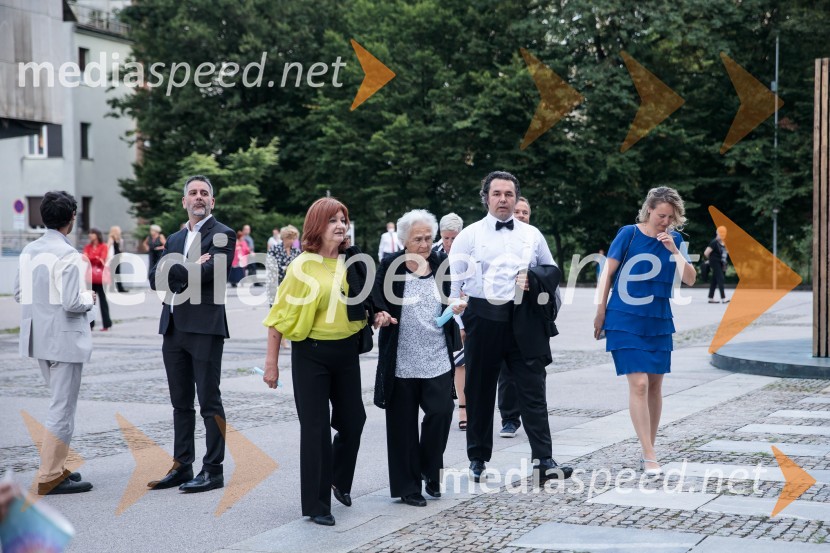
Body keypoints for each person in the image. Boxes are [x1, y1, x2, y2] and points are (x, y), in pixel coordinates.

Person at [262, 197, 392, 527]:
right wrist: (271, 364)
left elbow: (365, 301)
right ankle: (317, 505)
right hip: (311, 354)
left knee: (354, 421)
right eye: (332, 219)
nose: (340, 225)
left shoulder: (353, 261)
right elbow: (278, 317)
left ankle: (335, 477)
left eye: (343, 219)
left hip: (346, 353)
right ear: (317, 226)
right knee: (316, 429)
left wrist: (377, 314)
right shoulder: (302, 266)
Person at [449, 171, 570, 484]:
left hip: (523, 319)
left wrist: (534, 279)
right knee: (479, 390)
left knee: (533, 389)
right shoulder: (469, 235)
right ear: (486, 197)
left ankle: (544, 459)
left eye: (508, 194)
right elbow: (453, 284)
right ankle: (477, 458)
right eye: (497, 194)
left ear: (516, 198)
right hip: (482, 319)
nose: (503, 199)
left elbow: (552, 270)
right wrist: (463, 322)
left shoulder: (532, 235)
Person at [593, 187, 696, 476]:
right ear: (649, 209)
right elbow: (608, 273)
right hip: (624, 316)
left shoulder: (674, 240)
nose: (665, 221)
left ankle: (647, 448)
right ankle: (650, 455)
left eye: (671, 217)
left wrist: (674, 250)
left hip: (658, 319)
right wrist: (600, 310)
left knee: (655, 386)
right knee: (638, 383)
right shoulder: (629, 233)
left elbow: (689, 279)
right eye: (661, 215)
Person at [147, 175, 236, 493]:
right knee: (180, 403)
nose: (198, 197)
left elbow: (214, 273)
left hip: (205, 328)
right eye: (193, 193)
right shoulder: (172, 238)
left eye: (204, 193)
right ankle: (182, 465)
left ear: (213, 201)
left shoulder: (223, 234)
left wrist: (176, 271)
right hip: (172, 327)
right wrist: (188, 266)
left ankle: (213, 469)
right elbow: (153, 278)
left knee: (209, 401)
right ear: (184, 201)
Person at [373, 210, 463, 507]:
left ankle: (429, 469)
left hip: (436, 353)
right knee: (402, 425)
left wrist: (455, 308)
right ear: (403, 240)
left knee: (441, 412)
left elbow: (450, 297)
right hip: (400, 358)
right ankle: (408, 486)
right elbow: (377, 301)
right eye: (418, 239)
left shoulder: (441, 263)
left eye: (428, 237)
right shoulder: (390, 265)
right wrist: (381, 314)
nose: (425, 244)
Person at [14, 190, 95, 494]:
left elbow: (21, 294)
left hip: (39, 337)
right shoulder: (68, 254)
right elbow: (74, 303)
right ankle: (50, 475)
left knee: (58, 403)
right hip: (64, 340)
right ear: (71, 218)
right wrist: (90, 297)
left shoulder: (29, 250)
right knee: (62, 408)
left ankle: (58, 466)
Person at [497, 196, 533, 439]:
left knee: (533, 369)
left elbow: (551, 276)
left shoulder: (535, 239)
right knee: (506, 370)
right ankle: (509, 418)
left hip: (530, 313)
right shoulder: (498, 240)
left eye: (525, 212)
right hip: (502, 310)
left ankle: (534, 418)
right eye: (517, 211)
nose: (521, 215)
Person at [431, 213, 467, 430]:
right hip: (442, 311)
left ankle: (464, 408)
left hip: (466, 310)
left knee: (463, 361)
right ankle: (440, 405)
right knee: (446, 362)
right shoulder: (433, 253)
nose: (450, 243)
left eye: (454, 238)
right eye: (446, 238)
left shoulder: (470, 250)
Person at [265, 225, 301, 308]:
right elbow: (269, 265)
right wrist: (284, 269)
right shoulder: (274, 249)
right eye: (290, 238)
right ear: (284, 238)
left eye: (293, 238)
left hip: (291, 286)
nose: (292, 241)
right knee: (275, 310)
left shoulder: (296, 251)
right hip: (276, 284)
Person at [83, 228, 112, 331]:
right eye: (89, 233)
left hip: (101, 277)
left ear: (97, 235)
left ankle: (106, 323)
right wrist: (95, 257)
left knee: (103, 300)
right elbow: (84, 258)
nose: (90, 235)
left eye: (92, 233)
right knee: (90, 301)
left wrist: (92, 258)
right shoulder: (88, 247)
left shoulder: (103, 246)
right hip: (90, 277)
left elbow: (102, 259)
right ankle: (90, 324)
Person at [704, 226, 729, 304]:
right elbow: (706, 253)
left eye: (723, 233)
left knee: (714, 280)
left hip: (720, 263)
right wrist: (710, 260)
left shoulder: (723, 243)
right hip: (715, 262)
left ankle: (711, 298)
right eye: (720, 233)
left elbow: (725, 253)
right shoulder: (714, 242)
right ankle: (723, 298)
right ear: (717, 233)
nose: (722, 235)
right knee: (720, 278)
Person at [108, 225, 127, 293]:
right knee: (113, 273)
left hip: (118, 257)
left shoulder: (119, 239)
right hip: (113, 258)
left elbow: (120, 249)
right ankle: (113, 288)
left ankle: (118, 288)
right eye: (118, 230)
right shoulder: (111, 238)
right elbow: (108, 248)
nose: (120, 231)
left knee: (117, 273)